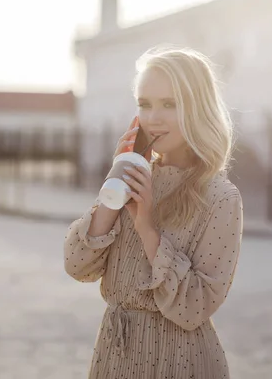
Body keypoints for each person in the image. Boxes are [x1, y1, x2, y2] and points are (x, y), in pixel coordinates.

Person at [64, 46, 244, 379]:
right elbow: (77, 265)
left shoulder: (221, 197)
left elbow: (195, 307)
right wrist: (114, 181)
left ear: (197, 109)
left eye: (169, 104)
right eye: (144, 104)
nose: (153, 118)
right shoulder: (136, 175)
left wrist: (146, 225)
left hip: (178, 361)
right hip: (115, 356)